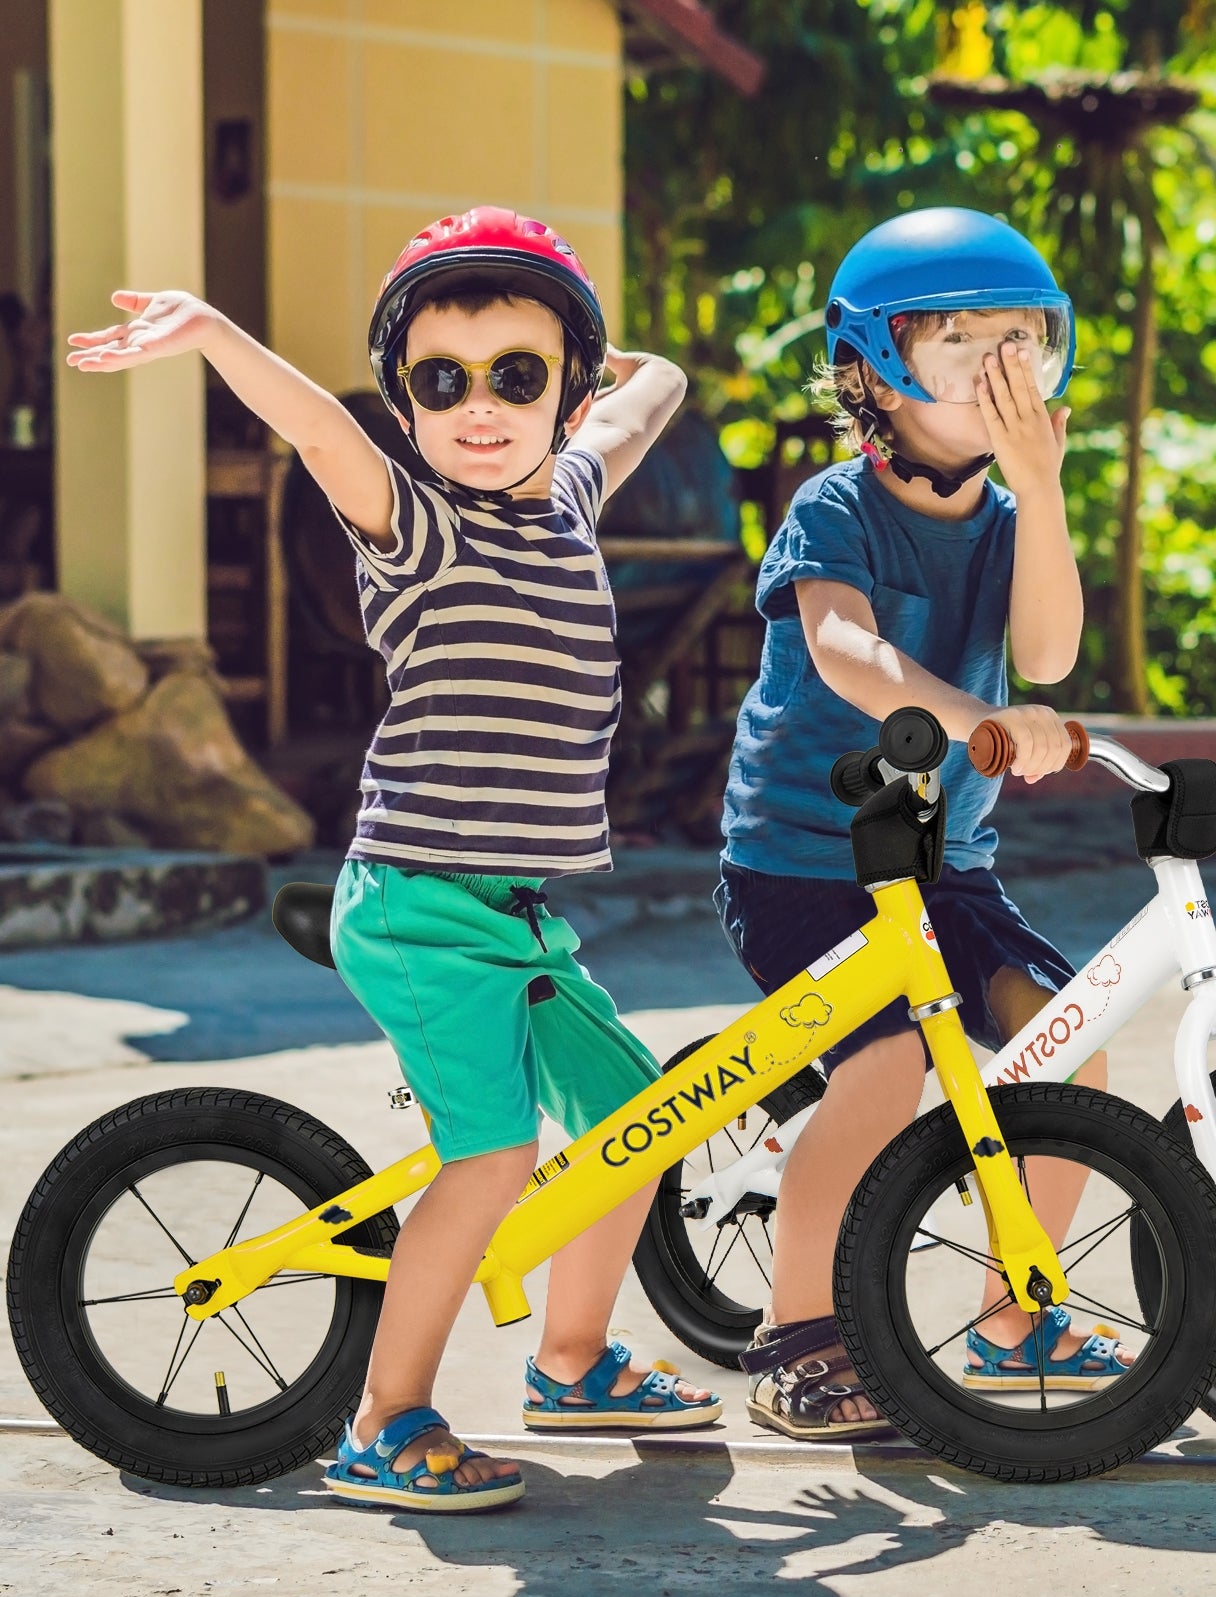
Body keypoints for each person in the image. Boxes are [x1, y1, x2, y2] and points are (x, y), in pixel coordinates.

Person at [67, 207, 719, 1511]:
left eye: (518, 374)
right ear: (406, 408)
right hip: (420, 908)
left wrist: (579, 321)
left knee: (647, 1121)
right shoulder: (416, 527)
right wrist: (213, 335)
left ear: (564, 387)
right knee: (492, 1155)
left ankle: (574, 1361)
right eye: (441, 382)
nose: (480, 407)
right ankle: (387, 1419)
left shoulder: (572, 497)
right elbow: (317, 427)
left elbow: (656, 392)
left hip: (512, 915)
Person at [716, 207, 1135, 1439]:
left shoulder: (1009, 521)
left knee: (1074, 1043)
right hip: (803, 858)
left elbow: (1047, 651)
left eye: (1027, 345)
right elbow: (845, 650)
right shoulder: (833, 510)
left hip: (945, 864)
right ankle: (799, 1339)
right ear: (875, 371)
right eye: (964, 347)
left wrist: (1042, 485)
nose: (1003, 375)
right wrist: (964, 715)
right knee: (887, 1066)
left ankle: (1019, 1310)